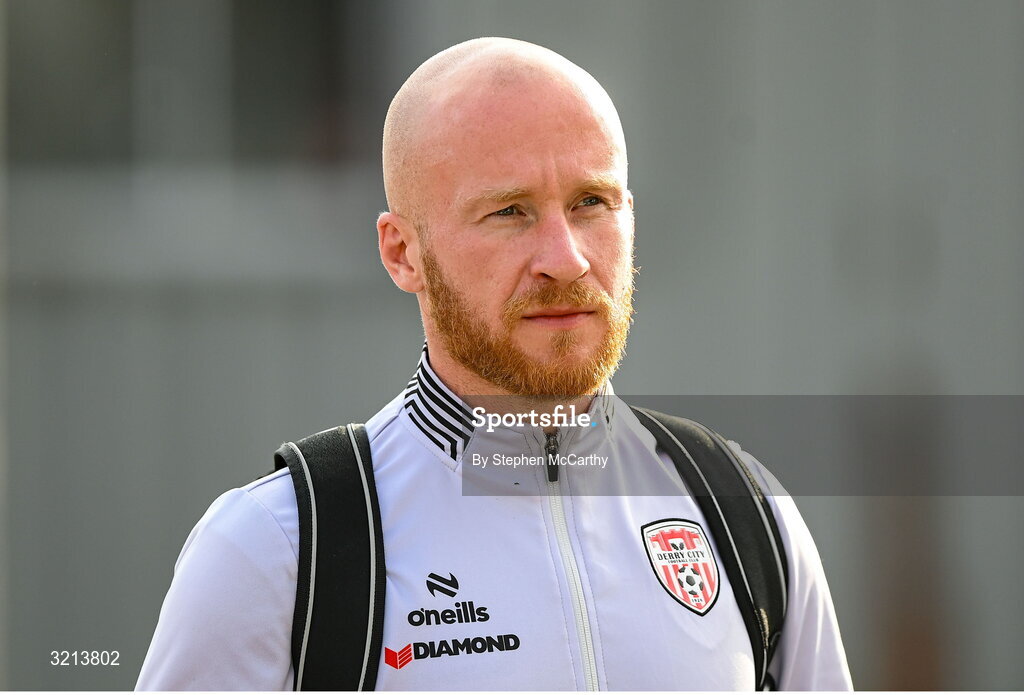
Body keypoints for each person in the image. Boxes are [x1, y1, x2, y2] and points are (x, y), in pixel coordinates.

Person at [137, 37, 852, 690]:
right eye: (510, 211)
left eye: (591, 202)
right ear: (401, 252)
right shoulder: (282, 549)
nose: (566, 258)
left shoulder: (745, 514)